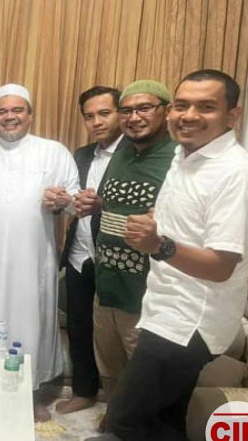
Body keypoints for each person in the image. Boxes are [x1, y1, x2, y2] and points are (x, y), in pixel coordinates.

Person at [95, 71, 248, 440]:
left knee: (126, 420)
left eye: (206, 107)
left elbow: (221, 266)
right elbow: (187, 219)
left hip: (190, 321)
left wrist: (159, 245)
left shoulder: (236, 174)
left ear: (232, 115)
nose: (189, 115)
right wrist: (156, 221)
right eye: (182, 105)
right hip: (165, 307)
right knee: (166, 417)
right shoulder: (184, 155)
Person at [0, 84, 79, 421]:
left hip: (32, 260)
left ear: (30, 115)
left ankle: (29, 393)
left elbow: (75, 202)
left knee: (29, 322)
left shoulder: (53, 151)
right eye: (1, 111)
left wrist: (64, 200)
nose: (9, 117)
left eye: (17, 110)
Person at [75, 80, 176, 428]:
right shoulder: (121, 153)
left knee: (144, 378)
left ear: (166, 111)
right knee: (111, 367)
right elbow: (119, 203)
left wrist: (162, 223)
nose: (134, 117)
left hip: (145, 291)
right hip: (108, 282)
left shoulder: (178, 157)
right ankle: (116, 420)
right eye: (127, 110)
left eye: (144, 108)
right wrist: (97, 205)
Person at [57, 86, 125, 415]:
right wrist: (61, 201)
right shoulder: (82, 155)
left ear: (120, 114)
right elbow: (73, 202)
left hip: (117, 260)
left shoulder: (134, 155)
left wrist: (102, 205)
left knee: (118, 335)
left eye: (104, 113)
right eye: (89, 116)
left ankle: (120, 406)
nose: (96, 122)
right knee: (79, 325)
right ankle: (84, 391)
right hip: (79, 255)